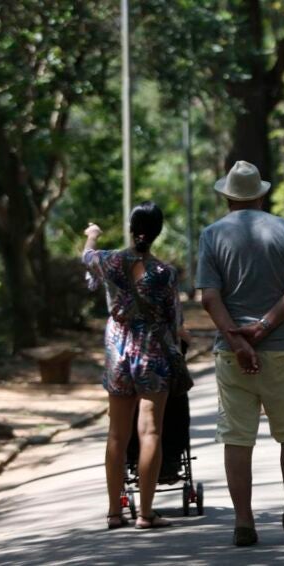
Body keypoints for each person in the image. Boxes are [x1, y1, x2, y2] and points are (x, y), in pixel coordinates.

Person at [196, 160, 284, 546]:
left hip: (232, 355)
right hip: (283, 349)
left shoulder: (212, 235)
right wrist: (263, 327)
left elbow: (209, 297)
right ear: (261, 194)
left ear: (228, 196)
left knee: (238, 436)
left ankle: (244, 521)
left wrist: (238, 341)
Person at [82, 202, 190, 530]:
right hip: (153, 354)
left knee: (117, 433)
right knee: (151, 431)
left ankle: (114, 513)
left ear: (131, 227)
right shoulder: (165, 273)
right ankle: (145, 513)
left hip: (118, 352)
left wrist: (92, 235)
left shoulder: (110, 260)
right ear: (157, 232)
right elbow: (174, 321)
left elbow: (86, 256)